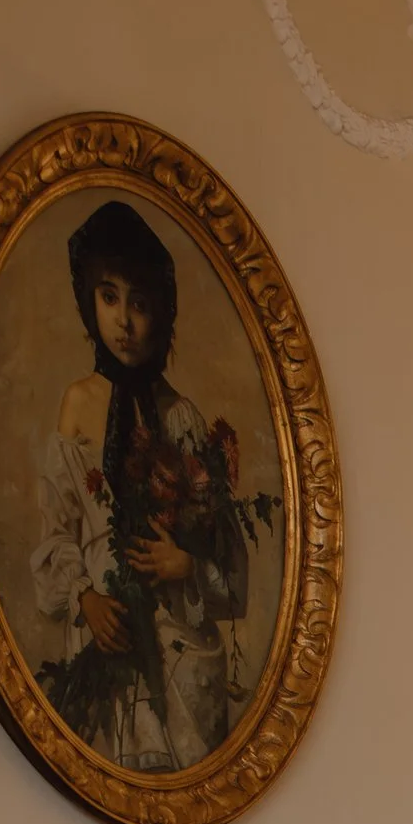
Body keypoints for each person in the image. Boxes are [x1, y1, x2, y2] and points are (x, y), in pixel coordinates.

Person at [30, 199, 259, 773]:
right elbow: (56, 528)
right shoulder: (78, 405)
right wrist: (84, 596)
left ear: (160, 309)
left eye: (139, 302)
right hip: (105, 634)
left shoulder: (179, 416)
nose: (124, 321)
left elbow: (225, 556)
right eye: (109, 298)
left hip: (179, 645)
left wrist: (186, 564)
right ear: (90, 301)